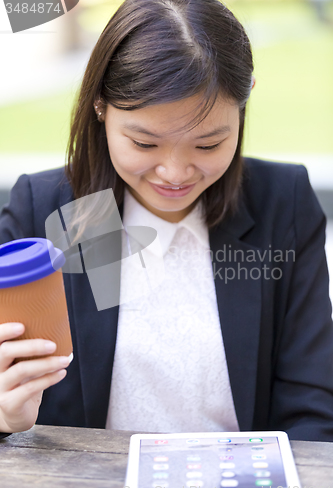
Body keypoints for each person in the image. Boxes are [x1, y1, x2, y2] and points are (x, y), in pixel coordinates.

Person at [1, 0, 333, 442]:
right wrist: (6, 419)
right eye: (144, 143)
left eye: (208, 145)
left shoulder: (281, 202)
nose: (174, 173)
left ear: (246, 97)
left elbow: (313, 411)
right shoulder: (46, 210)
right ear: (100, 106)